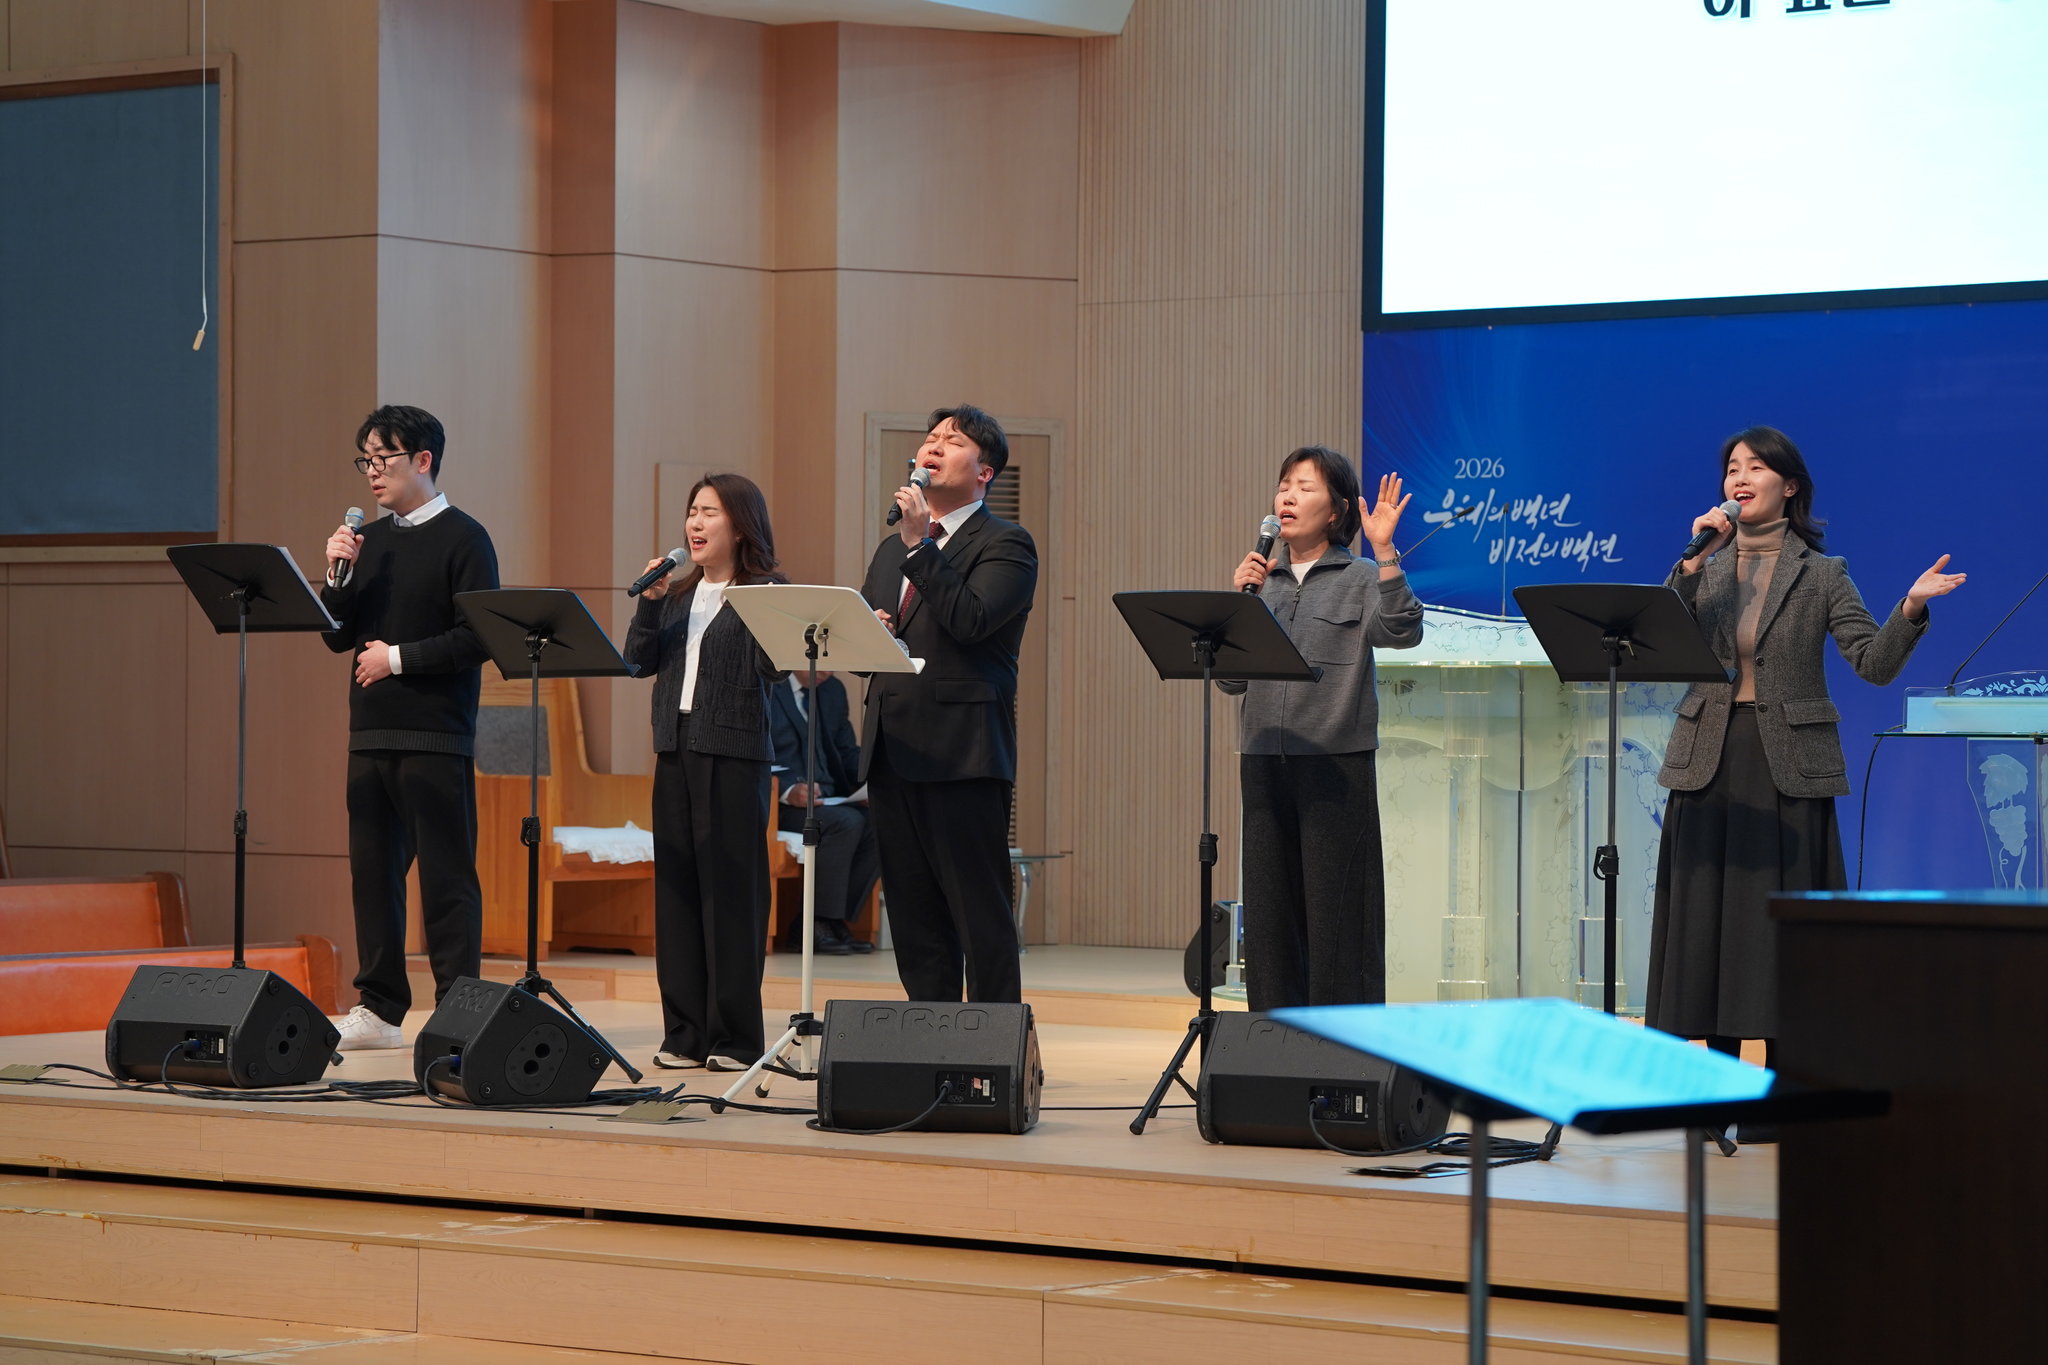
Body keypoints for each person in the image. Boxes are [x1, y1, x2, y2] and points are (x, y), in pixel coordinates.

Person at [1648, 426, 1965, 1101]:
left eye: (1756, 467)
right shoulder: (1703, 566)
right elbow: (1659, 641)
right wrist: (1692, 565)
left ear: (1789, 486)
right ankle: (1710, 1092)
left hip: (1785, 764)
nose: (1740, 478)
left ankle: (1782, 1093)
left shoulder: (1822, 573)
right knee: (1706, 927)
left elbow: (1873, 663)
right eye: (1732, 468)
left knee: (1775, 934)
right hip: (1707, 758)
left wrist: (1910, 607)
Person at [321, 404, 500, 1050]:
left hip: (435, 735)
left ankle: (457, 1009)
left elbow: (477, 637)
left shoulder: (466, 538)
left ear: (423, 460)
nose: (373, 471)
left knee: (448, 882)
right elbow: (336, 636)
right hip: (371, 734)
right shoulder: (367, 540)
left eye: (384, 458)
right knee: (372, 876)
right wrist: (336, 574)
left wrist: (396, 658)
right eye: (365, 460)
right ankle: (379, 1008)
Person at [1226, 445, 1422, 1010]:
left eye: (1304, 487)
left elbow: (1402, 631)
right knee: (1271, 918)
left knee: (1340, 919)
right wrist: (1238, 606)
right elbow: (1231, 681)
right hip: (1263, 762)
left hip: (1335, 765)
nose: (1287, 497)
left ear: (1335, 510)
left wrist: (1384, 551)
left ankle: (1343, 1048)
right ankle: (1273, 1037)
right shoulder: (1263, 581)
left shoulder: (1360, 577)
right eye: (1284, 485)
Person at [859, 405, 1038, 1004]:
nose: (932, 447)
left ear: (985, 472)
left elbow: (971, 620)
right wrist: (870, 632)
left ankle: (993, 1042)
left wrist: (919, 545)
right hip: (892, 749)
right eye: (930, 438)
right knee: (914, 918)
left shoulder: (1007, 543)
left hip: (963, 753)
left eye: (952, 441)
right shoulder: (891, 551)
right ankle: (930, 1036)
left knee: (978, 912)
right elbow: (869, 648)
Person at [624, 473, 786, 1071]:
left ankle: (736, 1038)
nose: (695, 523)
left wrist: (770, 611)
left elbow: (775, 669)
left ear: (740, 526)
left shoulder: (766, 590)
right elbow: (637, 661)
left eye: (709, 512)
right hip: (675, 749)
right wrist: (649, 601)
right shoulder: (676, 594)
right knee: (678, 892)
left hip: (734, 754)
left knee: (732, 896)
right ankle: (685, 1034)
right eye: (692, 511)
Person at [767, 671, 879, 955]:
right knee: (845, 823)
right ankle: (813, 925)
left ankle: (833, 920)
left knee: (882, 823)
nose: (826, 671)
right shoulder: (768, 685)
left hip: (828, 797)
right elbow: (753, 751)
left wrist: (874, 781)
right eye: (822, 662)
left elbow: (845, 750)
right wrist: (787, 790)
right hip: (779, 805)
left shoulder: (832, 690)